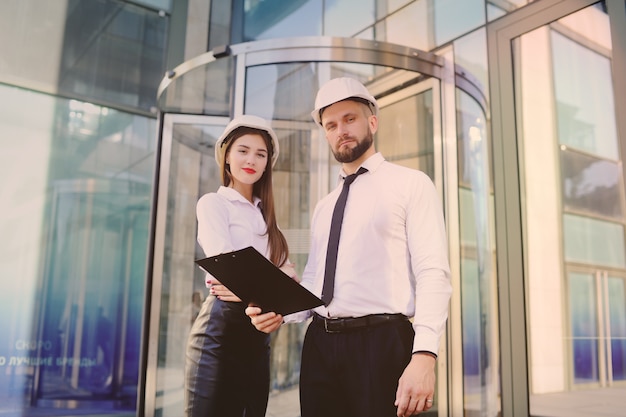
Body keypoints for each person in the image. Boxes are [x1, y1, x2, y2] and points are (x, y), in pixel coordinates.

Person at [246, 77, 452, 417]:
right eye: (331, 125)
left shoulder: (411, 184)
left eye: (350, 119)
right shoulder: (324, 205)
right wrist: (279, 310)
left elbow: (433, 272)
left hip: (382, 342)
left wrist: (425, 356)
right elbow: (316, 282)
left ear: (372, 121)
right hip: (320, 346)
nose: (341, 130)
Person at [185, 114, 296, 417]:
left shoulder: (267, 220)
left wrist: (263, 283)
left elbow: (290, 281)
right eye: (243, 150)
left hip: (258, 338)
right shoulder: (213, 203)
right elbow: (229, 268)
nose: (251, 160)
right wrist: (271, 284)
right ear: (227, 157)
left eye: (261, 154)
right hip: (219, 334)